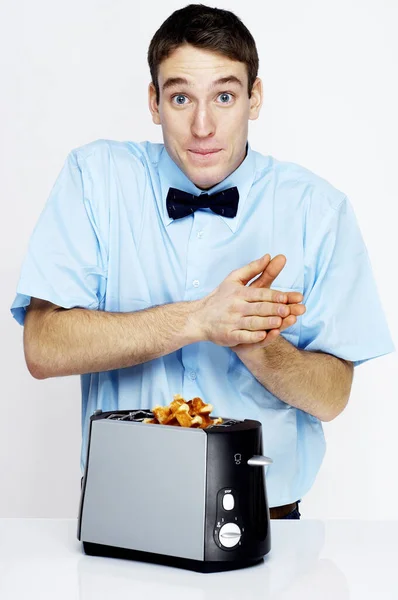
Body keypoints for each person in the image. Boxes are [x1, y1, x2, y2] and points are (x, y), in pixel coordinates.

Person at [11, 4, 394, 520]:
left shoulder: (319, 209)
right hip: (123, 502)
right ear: (154, 101)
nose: (202, 125)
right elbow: (42, 347)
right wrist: (197, 320)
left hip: (265, 512)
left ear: (254, 99)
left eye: (225, 96)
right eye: (181, 96)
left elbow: (332, 397)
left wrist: (258, 346)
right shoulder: (94, 179)